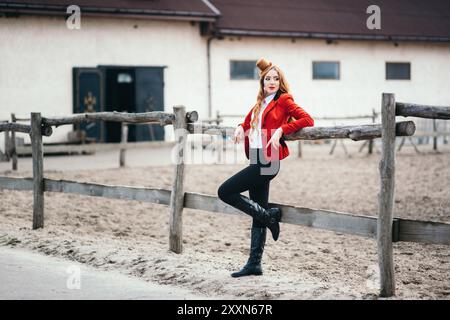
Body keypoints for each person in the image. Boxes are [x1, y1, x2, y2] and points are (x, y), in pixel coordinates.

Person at [217, 57, 315, 277]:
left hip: (268, 161)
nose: (272, 82)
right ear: (262, 83)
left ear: (281, 82)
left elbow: (308, 120)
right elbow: (247, 121)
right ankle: (254, 263)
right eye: (268, 78)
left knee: (224, 191)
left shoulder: (284, 100)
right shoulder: (260, 102)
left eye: (276, 78)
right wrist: (239, 127)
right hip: (255, 158)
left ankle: (269, 217)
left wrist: (282, 130)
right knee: (257, 210)